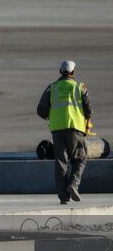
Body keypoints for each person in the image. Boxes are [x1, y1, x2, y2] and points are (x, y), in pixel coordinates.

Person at [37, 60, 93, 204]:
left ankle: (63, 197)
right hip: (75, 128)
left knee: (61, 162)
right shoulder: (80, 87)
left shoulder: (52, 88)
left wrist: (51, 115)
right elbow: (89, 110)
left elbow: (41, 110)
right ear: (73, 72)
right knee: (80, 158)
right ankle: (73, 185)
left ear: (60, 72)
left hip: (57, 129)